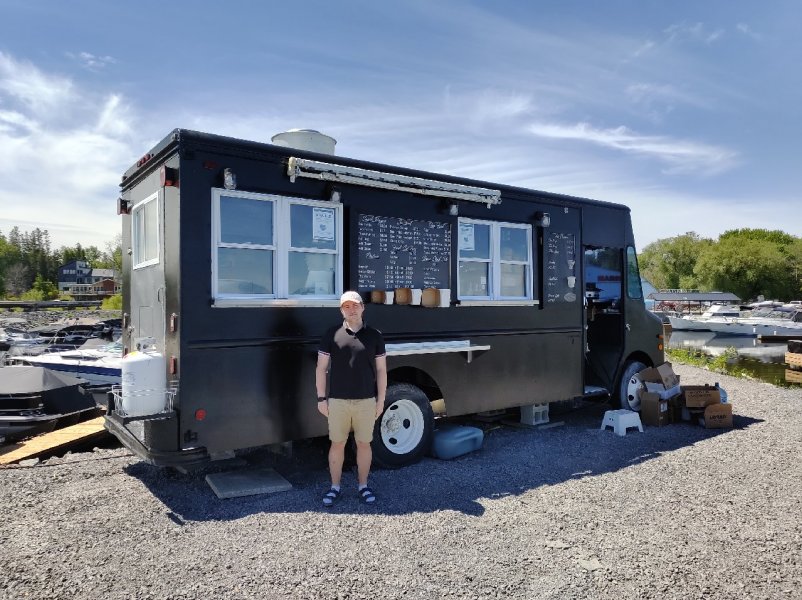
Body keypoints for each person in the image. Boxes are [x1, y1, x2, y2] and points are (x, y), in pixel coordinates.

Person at [316, 291, 387, 506]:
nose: (352, 310)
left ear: (363, 308)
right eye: (346, 306)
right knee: (337, 444)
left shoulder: (375, 335)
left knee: (364, 444)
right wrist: (321, 398)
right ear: (341, 310)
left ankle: (363, 486)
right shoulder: (332, 334)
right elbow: (320, 369)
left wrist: (381, 399)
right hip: (337, 401)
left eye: (355, 305)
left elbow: (382, 370)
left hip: (366, 401)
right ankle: (335, 487)